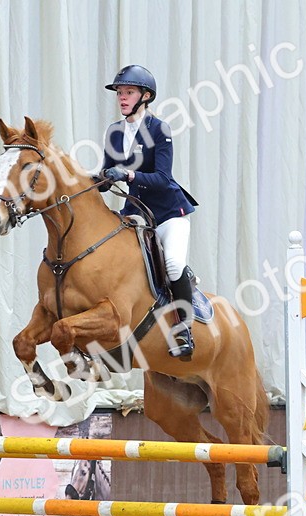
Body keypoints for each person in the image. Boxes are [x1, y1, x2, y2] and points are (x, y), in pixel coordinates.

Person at [100, 65, 199, 359]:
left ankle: (185, 329)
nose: (122, 98)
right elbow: (108, 175)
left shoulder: (159, 130)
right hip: (137, 212)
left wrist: (127, 176)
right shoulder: (115, 132)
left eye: (128, 92)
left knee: (172, 265)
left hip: (169, 213)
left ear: (145, 96)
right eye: (119, 93)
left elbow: (162, 178)